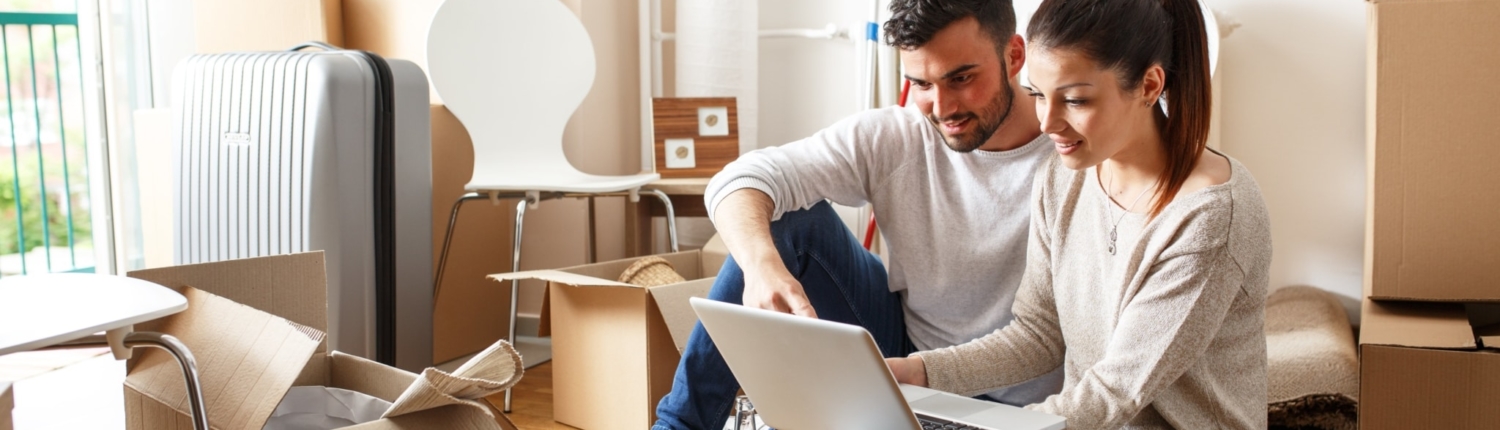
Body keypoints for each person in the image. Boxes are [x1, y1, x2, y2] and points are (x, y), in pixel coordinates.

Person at [651, 1, 1067, 429]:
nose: (942, 108)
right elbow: (738, 180)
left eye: (961, 78)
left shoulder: (1072, 151)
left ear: (1014, 56)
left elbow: (1048, 337)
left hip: (1025, 395)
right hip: (907, 355)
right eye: (921, 83)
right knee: (786, 224)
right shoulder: (898, 135)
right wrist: (761, 268)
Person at [884, 0, 1273, 428]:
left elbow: (1116, 390)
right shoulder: (1064, 178)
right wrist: (918, 372)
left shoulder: (1210, 217)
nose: (1048, 123)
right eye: (1036, 94)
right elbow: (1038, 335)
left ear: (1148, 86)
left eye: (1074, 100)